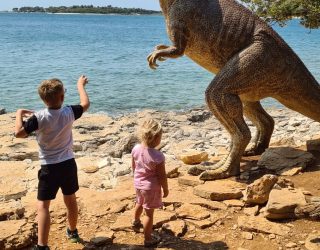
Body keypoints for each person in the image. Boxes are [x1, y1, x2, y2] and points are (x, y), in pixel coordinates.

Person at [14, 75, 90, 250]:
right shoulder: (69, 112)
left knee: (43, 206)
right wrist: (80, 85)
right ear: (62, 97)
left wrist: (19, 113)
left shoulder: (39, 117)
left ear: (42, 99)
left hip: (48, 167)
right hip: (68, 164)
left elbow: (18, 133)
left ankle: (42, 246)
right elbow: (85, 104)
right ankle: (72, 231)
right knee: (70, 200)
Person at [131, 118, 169, 248]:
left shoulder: (135, 148)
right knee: (149, 214)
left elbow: (134, 166)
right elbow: (162, 176)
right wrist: (166, 188)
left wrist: (137, 177)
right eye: (160, 137)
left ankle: (135, 221)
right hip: (150, 188)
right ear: (156, 137)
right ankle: (147, 239)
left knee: (139, 202)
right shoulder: (158, 156)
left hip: (138, 184)